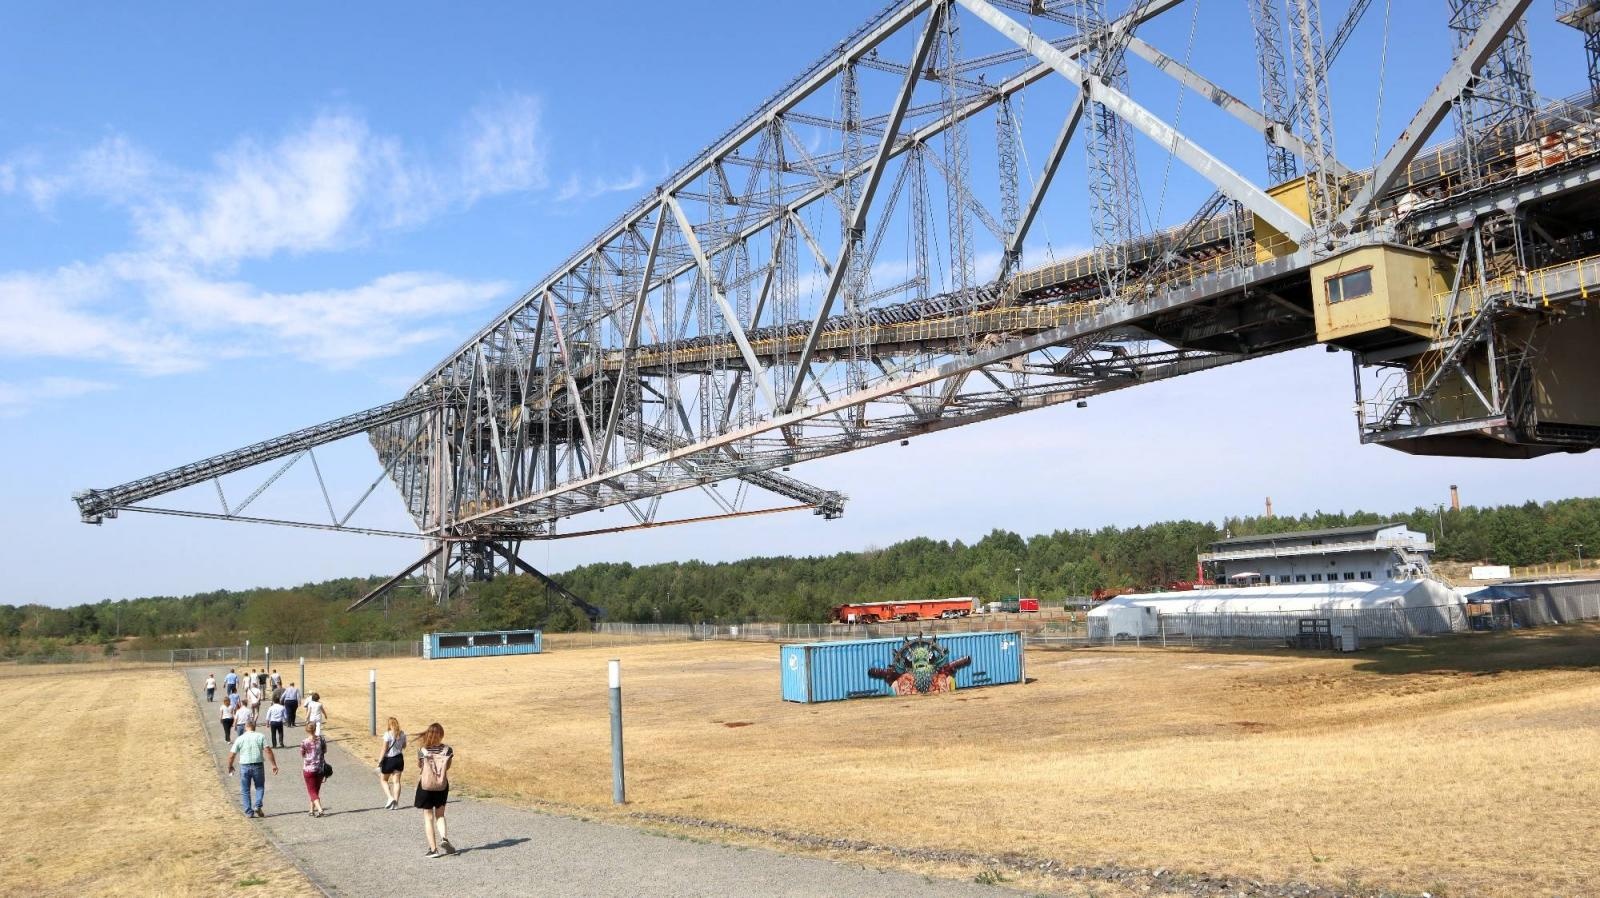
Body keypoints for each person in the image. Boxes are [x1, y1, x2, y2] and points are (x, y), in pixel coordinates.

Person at [413, 722, 454, 857]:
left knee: (428, 817)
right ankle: (444, 837)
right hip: (442, 786)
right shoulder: (448, 750)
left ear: (428, 734)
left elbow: (420, 766)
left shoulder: (422, 750)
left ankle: (433, 849)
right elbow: (447, 768)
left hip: (426, 786)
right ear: (441, 734)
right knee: (440, 815)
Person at [226, 719, 278, 818]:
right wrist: (274, 764)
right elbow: (268, 751)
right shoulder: (260, 736)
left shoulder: (240, 739)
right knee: (260, 787)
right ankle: (257, 805)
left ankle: (249, 812)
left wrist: (230, 766)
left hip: (244, 766)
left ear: (246, 727)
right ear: (254, 726)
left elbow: (232, 755)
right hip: (258, 764)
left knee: (245, 790)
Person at [376, 717, 407, 810]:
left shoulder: (388, 734)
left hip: (389, 759)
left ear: (389, 725)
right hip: (399, 759)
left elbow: (384, 749)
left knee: (383, 780)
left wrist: (379, 761)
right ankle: (396, 803)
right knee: (396, 782)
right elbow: (404, 746)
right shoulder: (402, 734)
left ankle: (390, 797)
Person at [300, 723, 328, 817]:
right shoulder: (322, 740)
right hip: (320, 768)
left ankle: (320, 809)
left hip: (308, 769)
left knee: (312, 791)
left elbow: (302, 754)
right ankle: (311, 810)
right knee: (315, 790)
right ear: (315, 729)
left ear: (306, 730)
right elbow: (325, 751)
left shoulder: (304, 742)